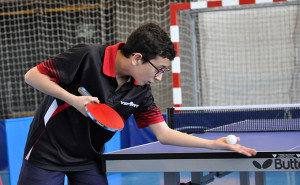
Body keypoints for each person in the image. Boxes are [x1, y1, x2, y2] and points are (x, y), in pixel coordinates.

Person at [18, 23, 257, 185]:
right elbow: (32, 75)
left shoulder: (141, 91)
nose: (159, 77)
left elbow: (164, 134)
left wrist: (215, 143)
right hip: (46, 154)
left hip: (89, 158)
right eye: (159, 69)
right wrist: (74, 100)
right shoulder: (88, 56)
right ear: (137, 58)